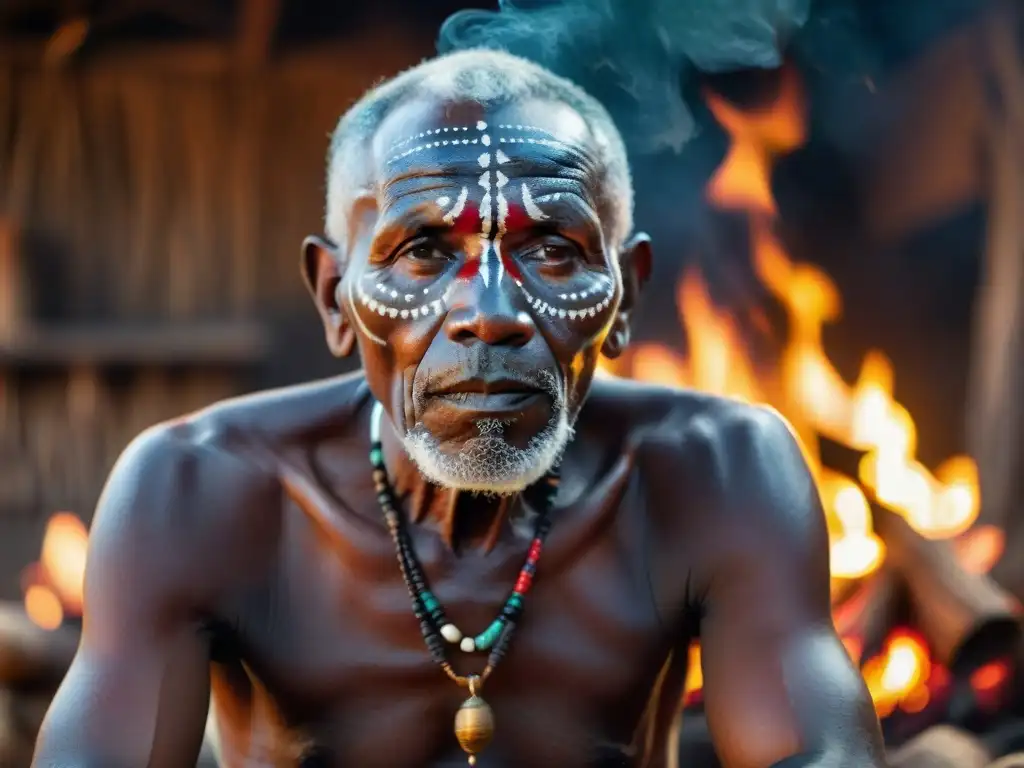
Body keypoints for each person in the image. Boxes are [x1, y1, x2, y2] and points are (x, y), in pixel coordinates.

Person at [32, 49, 886, 768]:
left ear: (625, 298)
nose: (491, 311)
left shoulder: (721, 474)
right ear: (335, 297)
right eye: (423, 250)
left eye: (552, 250)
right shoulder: (193, 492)